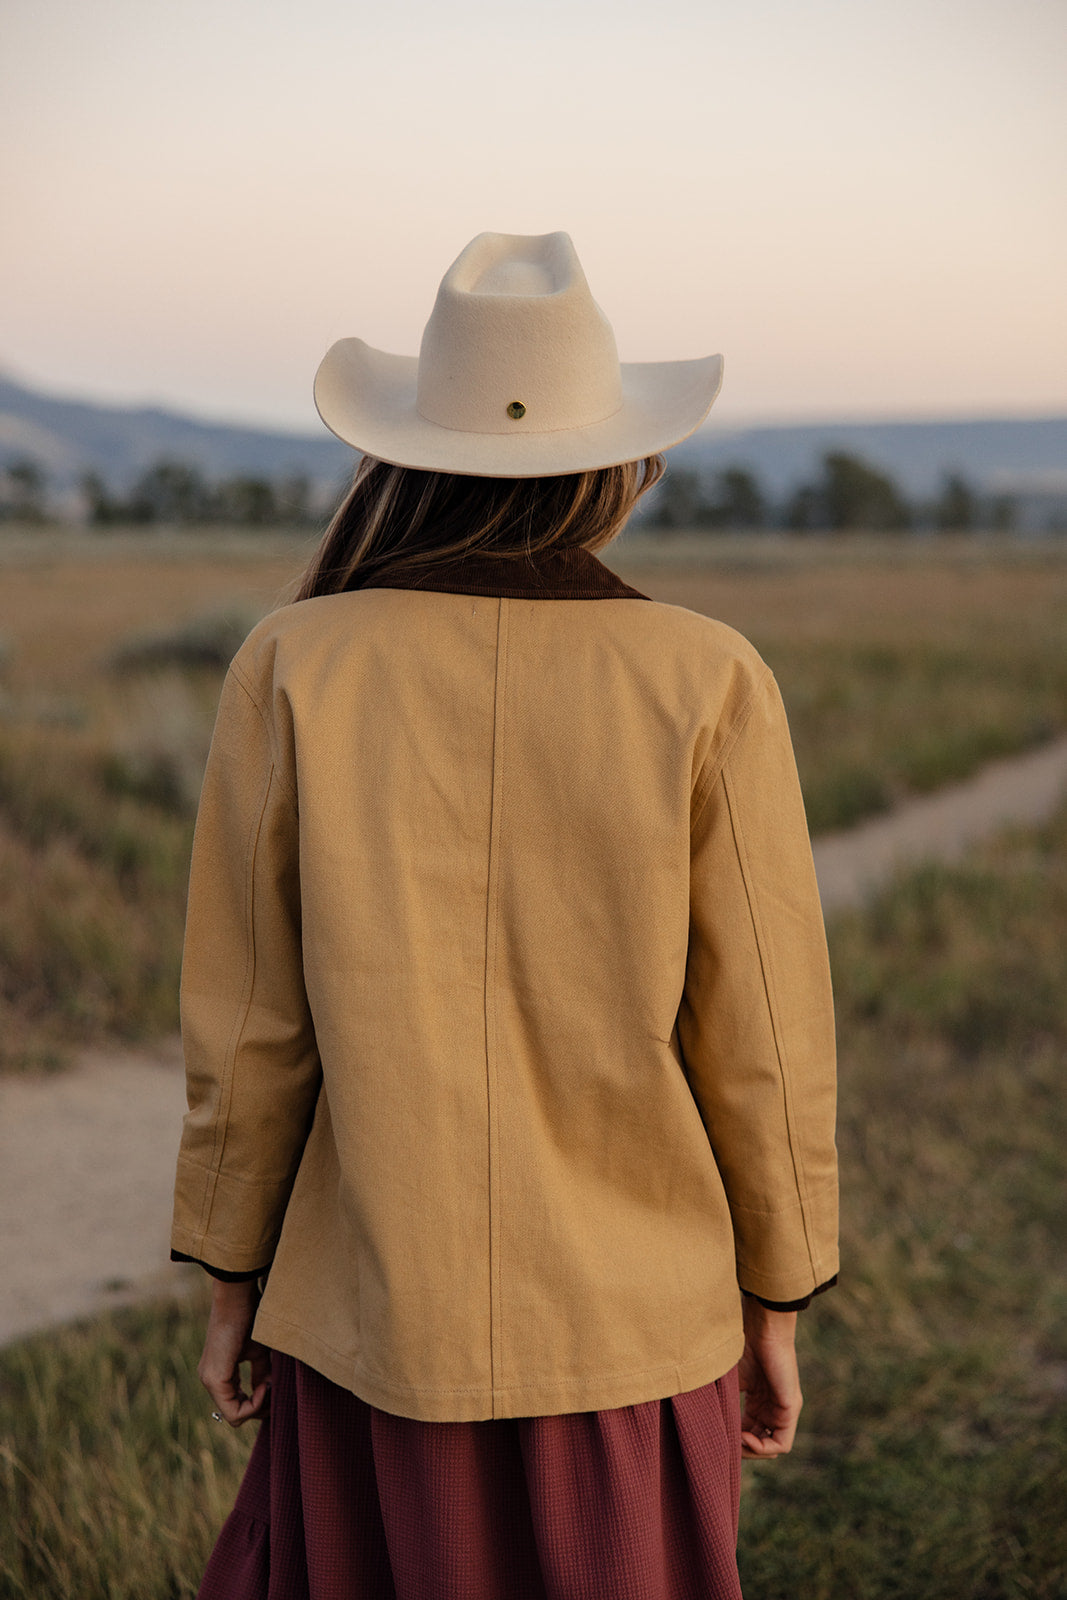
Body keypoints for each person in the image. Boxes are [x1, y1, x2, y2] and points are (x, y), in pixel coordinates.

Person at [170, 230, 838, 1600]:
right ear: (619, 467)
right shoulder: (709, 677)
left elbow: (249, 1035)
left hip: (369, 1326)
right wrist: (778, 1294)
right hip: (636, 1333)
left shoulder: (293, 662)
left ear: (409, 459)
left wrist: (232, 1280)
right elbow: (764, 1044)